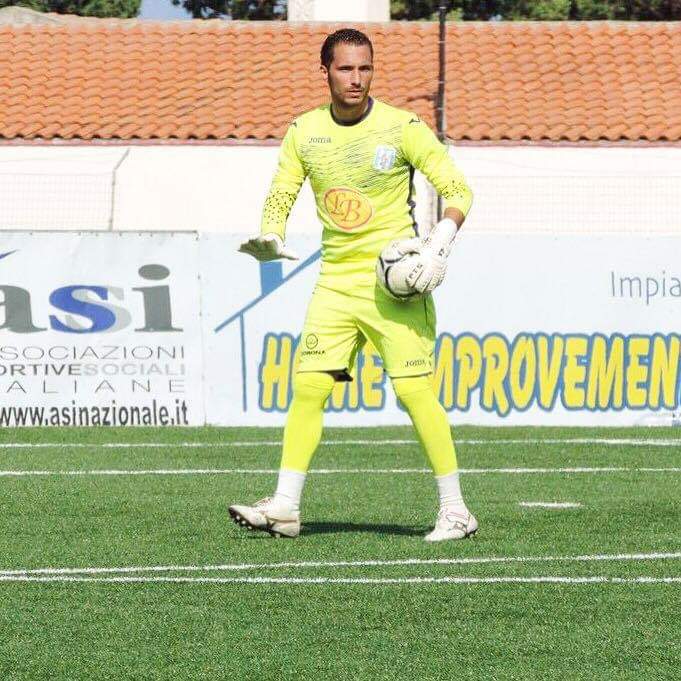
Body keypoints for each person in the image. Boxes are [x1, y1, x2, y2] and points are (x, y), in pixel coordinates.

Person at [230, 28, 476, 542]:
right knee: (309, 387)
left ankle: (456, 511)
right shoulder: (304, 131)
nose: (356, 78)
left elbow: (458, 190)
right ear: (325, 72)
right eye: (345, 68)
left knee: (413, 393)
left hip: (393, 286)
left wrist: (438, 244)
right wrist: (270, 235)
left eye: (365, 68)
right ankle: (286, 507)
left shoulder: (402, 127)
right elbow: (281, 191)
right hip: (335, 284)